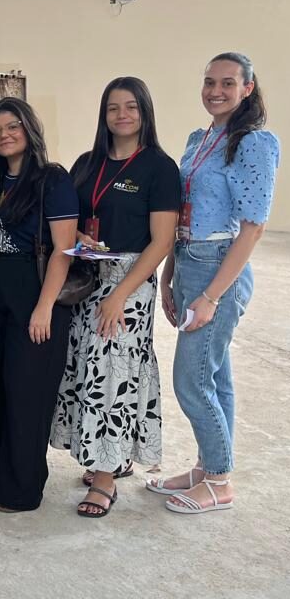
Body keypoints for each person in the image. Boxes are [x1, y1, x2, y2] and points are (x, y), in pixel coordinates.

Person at [149, 52, 279, 514]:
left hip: (219, 267)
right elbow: (180, 216)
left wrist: (209, 296)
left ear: (247, 88)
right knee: (215, 374)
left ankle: (220, 482)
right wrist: (169, 278)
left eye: (227, 82)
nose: (215, 91)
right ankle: (210, 467)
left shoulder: (254, 143)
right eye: (209, 81)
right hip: (188, 259)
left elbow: (254, 227)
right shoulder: (198, 138)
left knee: (191, 379)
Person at [49, 77, 179, 518]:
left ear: (145, 112)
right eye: (112, 108)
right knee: (88, 371)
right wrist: (82, 235)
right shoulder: (88, 163)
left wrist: (120, 295)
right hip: (85, 277)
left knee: (114, 375)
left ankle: (105, 478)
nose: (122, 116)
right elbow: (73, 217)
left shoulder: (159, 168)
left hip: (128, 285)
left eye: (131, 107)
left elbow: (161, 242)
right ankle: (109, 455)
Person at [0, 97, 78, 513]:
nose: (4, 135)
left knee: (26, 394)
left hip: (35, 296)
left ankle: (24, 486)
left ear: (29, 129)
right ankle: (6, 460)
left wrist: (44, 308)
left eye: (12, 126)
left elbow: (63, 250)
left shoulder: (51, 179)